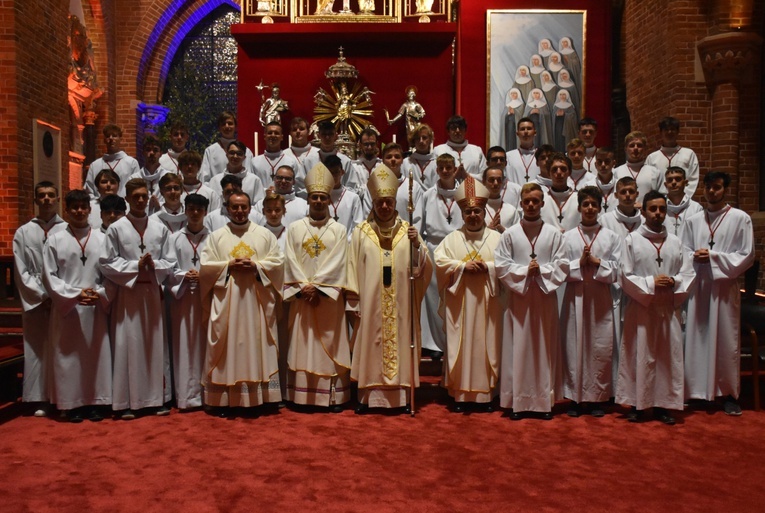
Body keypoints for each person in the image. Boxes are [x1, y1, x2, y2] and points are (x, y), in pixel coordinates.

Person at [347, 165, 432, 413]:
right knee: (371, 344)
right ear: (373, 203)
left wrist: (417, 246)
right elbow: (351, 268)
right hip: (370, 305)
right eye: (380, 202)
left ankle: (402, 398)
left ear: (395, 202)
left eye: (388, 202)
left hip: (401, 303)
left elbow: (423, 269)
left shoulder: (409, 232)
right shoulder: (361, 233)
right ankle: (368, 397)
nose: (384, 206)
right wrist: (354, 303)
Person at [200, 191, 284, 415]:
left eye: (243, 207)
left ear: (250, 208)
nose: (239, 211)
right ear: (228, 208)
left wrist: (257, 267)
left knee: (259, 344)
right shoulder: (216, 237)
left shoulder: (265, 235)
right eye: (235, 207)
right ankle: (225, 399)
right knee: (228, 348)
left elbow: (278, 264)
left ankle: (264, 396)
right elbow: (206, 267)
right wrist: (228, 266)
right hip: (229, 303)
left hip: (256, 304)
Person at [617, 190, 695, 425]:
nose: (658, 213)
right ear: (643, 212)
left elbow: (687, 272)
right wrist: (651, 283)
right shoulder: (632, 240)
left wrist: (675, 282)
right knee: (639, 355)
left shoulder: (675, 241)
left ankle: (664, 405)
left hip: (666, 309)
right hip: (641, 308)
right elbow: (624, 274)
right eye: (653, 209)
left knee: (666, 357)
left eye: (662, 209)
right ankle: (638, 404)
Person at [100, 178, 175, 419]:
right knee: (127, 345)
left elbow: (171, 261)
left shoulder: (160, 227)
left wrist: (154, 266)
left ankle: (156, 399)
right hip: (128, 294)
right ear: (128, 199)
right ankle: (128, 402)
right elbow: (107, 262)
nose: (141, 200)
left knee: (154, 345)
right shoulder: (116, 228)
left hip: (152, 292)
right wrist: (135, 265)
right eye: (136, 197)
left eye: (144, 196)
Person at [682, 171, 754, 415]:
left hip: (723, 288)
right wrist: (695, 257)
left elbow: (746, 255)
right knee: (696, 337)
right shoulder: (692, 220)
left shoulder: (740, 218)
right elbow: (683, 252)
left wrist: (713, 257)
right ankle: (696, 391)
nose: (712, 191)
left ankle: (728, 394)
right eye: (709, 187)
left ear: (726, 190)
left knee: (725, 339)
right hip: (699, 287)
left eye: (718, 187)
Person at [495, 182, 566, 420]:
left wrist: (542, 272)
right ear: (521, 203)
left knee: (544, 347)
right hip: (520, 300)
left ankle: (543, 402)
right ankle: (519, 401)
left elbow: (562, 264)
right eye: (527, 201)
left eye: (536, 201)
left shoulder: (554, 234)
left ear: (542, 204)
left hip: (545, 298)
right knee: (519, 348)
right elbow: (501, 265)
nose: (532, 205)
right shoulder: (510, 234)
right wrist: (526, 271)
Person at [283, 162, 351, 411]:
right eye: (315, 197)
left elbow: (340, 261)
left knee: (330, 347)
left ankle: (331, 397)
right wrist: (303, 286)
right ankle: (302, 397)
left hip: (327, 300)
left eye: (323, 197)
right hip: (302, 298)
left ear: (329, 199)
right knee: (303, 344)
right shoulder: (295, 229)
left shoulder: (339, 231)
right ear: (308, 199)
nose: (319, 201)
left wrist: (318, 287)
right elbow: (289, 259)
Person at [42, 189, 113, 422]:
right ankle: (70, 404)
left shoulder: (103, 239)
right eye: (75, 207)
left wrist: (101, 293)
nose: (80, 211)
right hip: (69, 310)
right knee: (69, 357)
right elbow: (49, 276)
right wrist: (74, 294)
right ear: (67, 210)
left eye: (84, 207)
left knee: (95, 356)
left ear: (90, 210)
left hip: (95, 307)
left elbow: (111, 274)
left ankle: (95, 403)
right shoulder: (55, 240)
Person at [434, 177, 503, 412]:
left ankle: (486, 394)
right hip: (461, 304)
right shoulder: (451, 239)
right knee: (461, 345)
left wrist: (489, 268)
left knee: (487, 344)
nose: (473, 215)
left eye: (477, 211)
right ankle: (460, 394)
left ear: (484, 212)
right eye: (468, 211)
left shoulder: (498, 239)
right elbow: (440, 262)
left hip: (488, 304)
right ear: (461, 214)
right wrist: (463, 267)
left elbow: (506, 266)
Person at [559, 187, 622, 417]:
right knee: (574, 345)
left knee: (599, 346)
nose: (589, 209)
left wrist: (596, 262)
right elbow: (561, 268)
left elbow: (618, 270)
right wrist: (578, 263)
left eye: (594, 205)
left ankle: (597, 397)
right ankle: (575, 398)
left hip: (600, 298)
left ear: (600, 207)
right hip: (575, 297)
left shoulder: (611, 237)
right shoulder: (566, 237)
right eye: (585, 204)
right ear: (579, 208)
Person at [13, 181, 67, 416]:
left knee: (63, 348)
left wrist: (57, 295)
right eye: (42, 196)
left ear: (58, 199)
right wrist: (41, 296)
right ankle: (38, 399)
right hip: (36, 297)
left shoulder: (67, 229)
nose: (46, 199)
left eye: (51, 195)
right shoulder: (24, 232)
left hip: (61, 297)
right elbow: (21, 269)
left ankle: (63, 396)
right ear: (35, 200)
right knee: (36, 349)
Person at [166, 193, 210, 411]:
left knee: (205, 345)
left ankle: (207, 394)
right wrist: (184, 276)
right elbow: (168, 268)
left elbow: (219, 267)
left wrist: (204, 276)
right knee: (184, 345)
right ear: (185, 210)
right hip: (182, 300)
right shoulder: (174, 238)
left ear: (206, 212)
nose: (194, 213)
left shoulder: (213, 238)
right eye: (191, 209)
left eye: (199, 210)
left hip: (206, 299)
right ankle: (185, 396)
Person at [361, 143, 424, 227]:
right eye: (389, 157)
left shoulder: (414, 186)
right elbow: (367, 215)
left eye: (397, 157)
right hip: (379, 236)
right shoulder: (373, 185)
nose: (393, 159)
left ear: (402, 160)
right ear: (382, 160)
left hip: (405, 237)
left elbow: (418, 219)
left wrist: (410, 237)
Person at [645, 116, 700, 197]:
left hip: (683, 200)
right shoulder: (652, 158)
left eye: (672, 129)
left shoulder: (689, 154)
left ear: (678, 132)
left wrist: (684, 198)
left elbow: (693, 180)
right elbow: (649, 181)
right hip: (659, 203)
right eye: (666, 130)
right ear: (661, 132)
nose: (669, 132)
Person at [84, 124, 141, 198]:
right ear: (104, 140)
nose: (111, 138)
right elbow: (89, 190)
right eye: (108, 136)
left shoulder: (131, 163)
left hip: (124, 206)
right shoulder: (95, 165)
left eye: (114, 135)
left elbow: (137, 187)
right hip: (100, 206)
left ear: (121, 139)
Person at [300, 121, 353, 197]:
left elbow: (351, 186)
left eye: (330, 134)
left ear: (336, 136)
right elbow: (302, 186)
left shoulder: (345, 161)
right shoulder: (308, 161)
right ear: (319, 135)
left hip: (339, 201)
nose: (327, 137)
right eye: (324, 134)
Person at [200, 111, 254, 183]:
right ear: (219, 128)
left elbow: (249, 177)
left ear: (236, 127)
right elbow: (204, 179)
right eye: (223, 124)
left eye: (230, 123)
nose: (227, 126)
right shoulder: (210, 151)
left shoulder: (246, 151)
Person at [208, 140, 265, 207]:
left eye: (239, 154)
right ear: (226, 155)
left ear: (244, 157)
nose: (235, 156)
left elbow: (259, 206)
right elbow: (211, 206)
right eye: (232, 153)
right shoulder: (215, 181)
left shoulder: (254, 180)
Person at [613, 131, 663, 205]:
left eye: (639, 145)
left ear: (645, 148)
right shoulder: (616, 172)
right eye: (632, 145)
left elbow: (661, 198)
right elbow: (613, 199)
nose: (635, 148)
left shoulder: (655, 172)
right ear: (625, 149)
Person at [323, 155, 364, 241]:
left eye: (336, 172)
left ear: (342, 172)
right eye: (330, 173)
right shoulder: (320, 197)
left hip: (347, 245)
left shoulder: (353, 198)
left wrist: (347, 241)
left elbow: (358, 225)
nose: (333, 176)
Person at [434, 115, 487, 181]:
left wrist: (467, 176)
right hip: (447, 191)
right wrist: (453, 176)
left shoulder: (477, 150)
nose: (457, 131)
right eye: (453, 128)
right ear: (448, 131)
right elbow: (434, 176)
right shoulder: (438, 150)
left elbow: (485, 176)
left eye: (461, 127)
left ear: (465, 130)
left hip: (472, 189)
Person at [251, 121, 298, 190]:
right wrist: (266, 190)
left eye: (276, 133)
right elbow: (252, 183)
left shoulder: (291, 162)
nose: (273, 135)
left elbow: (295, 185)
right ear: (265, 136)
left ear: (282, 137)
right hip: (262, 199)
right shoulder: (254, 161)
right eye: (270, 133)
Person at [129, 135, 169, 214]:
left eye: (155, 150)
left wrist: (159, 206)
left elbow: (174, 204)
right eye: (148, 150)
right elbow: (129, 203)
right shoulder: (134, 179)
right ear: (143, 152)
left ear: (161, 153)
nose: (151, 153)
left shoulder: (168, 177)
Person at [540, 153, 580, 232]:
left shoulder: (579, 199)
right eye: (554, 169)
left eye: (563, 169)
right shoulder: (541, 200)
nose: (558, 172)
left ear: (569, 172)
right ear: (548, 173)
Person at [663, 166, 702, 239]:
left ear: (685, 182)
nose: (673, 182)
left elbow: (699, 234)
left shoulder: (696, 208)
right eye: (670, 180)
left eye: (678, 179)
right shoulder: (660, 207)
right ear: (665, 185)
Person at [284, 117, 320, 192]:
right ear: (290, 133)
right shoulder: (284, 155)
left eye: (301, 129)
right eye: (294, 129)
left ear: (308, 131)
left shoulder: (318, 153)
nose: (298, 131)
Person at [482, 164, 520, 233]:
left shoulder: (511, 210)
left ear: (503, 182)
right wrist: (488, 231)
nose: (496, 183)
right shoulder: (477, 209)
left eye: (499, 180)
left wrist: (504, 230)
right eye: (491, 180)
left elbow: (518, 235)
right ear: (484, 182)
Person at [346, 127, 382, 196]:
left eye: (372, 144)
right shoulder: (353, 167)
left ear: (377, 144)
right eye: (366, 144)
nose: (369, 147)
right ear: (360, 145)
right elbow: (350, 191)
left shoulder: (382, 165)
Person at [402, 123, 438, 189]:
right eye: (418, 138)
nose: (421, 141)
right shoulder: (405, 163)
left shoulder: (436, 163)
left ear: (430, 140)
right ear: (413, 141)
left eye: (424, 138)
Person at [506, 118, 540, 185]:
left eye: (529, 128)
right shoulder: (508, 156)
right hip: (516, 194)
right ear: (517, 133)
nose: (526, 131)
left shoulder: (541, 156)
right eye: (522, 129)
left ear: (535, 132)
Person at [592, 147, 618, 214]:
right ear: (595, 165)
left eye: (607, 161)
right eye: (599, 162)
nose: (603, 165)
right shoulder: (588, 186)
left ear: (613, 163)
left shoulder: (620, 186)